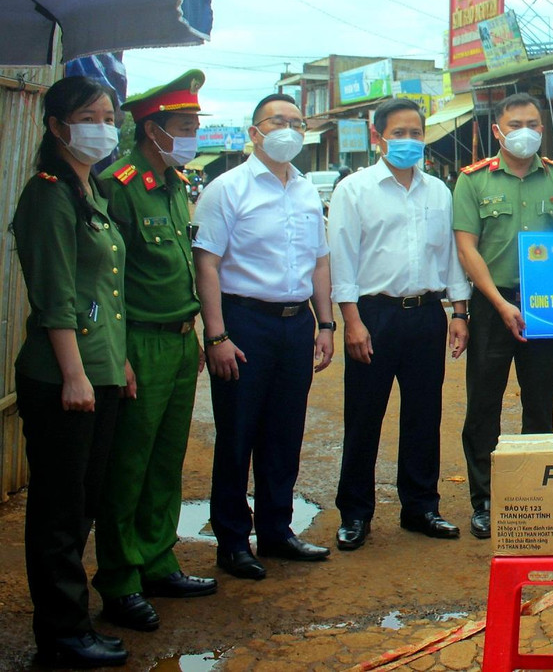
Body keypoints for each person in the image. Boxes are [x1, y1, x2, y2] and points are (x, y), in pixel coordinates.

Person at [11, 76, 132, 667]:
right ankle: (61, 635)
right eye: (89, 116)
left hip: (100, 371)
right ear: (58, 126)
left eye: (109, 116)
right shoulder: (48, 193)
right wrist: (76, 375)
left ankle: (73, 623)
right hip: (63, 377)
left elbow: (105, 295)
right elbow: (56, 297)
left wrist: (118, 362)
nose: (103, 127)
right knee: (59, 512)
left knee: (82, 501)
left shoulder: (93, 192)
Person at [91, 71, 218, 635]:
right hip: (136, 340)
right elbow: (103, 279)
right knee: (129, 464)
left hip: (176, 337)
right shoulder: (120, 185)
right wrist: (114, 354)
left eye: (194, 126)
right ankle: (120, 578)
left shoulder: (172, 183)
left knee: (167, 459)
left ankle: (159, 559)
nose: (191, 135)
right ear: (152, 129)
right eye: (183, 127)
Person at [192, 93, 335, 580]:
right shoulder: (226, 189)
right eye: (279, 121)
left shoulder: (305, 189)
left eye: (298, 122)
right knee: (238, 434)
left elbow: (319, 260)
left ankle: (277, 530)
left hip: (296, 324)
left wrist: (326, 323)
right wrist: (217, 335)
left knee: (284, 432)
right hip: (244, 321)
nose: (290, 130)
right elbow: (206, 263)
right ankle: (232, 541)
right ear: (255, 131)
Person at [328, 98, 471, 551]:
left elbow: (449, 257)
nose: (409, 141)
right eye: (399, 133)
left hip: (427, 313)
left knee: (424, 415)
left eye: (416, 133)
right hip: (374, 316)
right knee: (364, 416)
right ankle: (354, 513)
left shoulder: (439, 192)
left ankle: (421, 507)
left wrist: (459, 312)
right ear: (378, 138)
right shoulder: (354, 190)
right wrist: (351, 320)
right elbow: (343, 260)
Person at [453, 92, 553, 539]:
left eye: (533, 124)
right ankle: (486, 499)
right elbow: (467, 248)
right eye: (515, 123)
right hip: (493, 305)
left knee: (540, 404)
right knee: (483, 406)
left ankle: (532, 493)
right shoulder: (472, 181)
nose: (524, 131)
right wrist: (499, 303)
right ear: (498, 131)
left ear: (542, 130)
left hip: (545, 307)